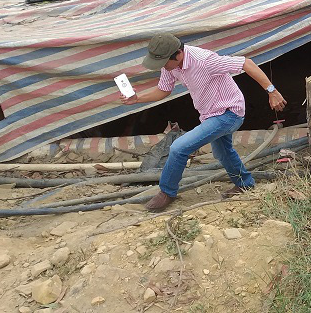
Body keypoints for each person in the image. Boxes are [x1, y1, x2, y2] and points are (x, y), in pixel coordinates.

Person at [120, 32, 287, 212]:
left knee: (178, 147)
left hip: (229, 112)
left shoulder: (205, 60)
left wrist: (272, 91)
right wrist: (138, 99)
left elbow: (246, 63)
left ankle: (167, 192)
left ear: (178, 54)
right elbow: (164, 90)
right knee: (223, 152)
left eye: (164, 63)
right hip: (209, 114)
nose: (163, 67)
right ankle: (245, 183)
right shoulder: (170, 66)